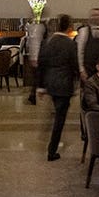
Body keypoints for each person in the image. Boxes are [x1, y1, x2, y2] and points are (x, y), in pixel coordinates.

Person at [36, 14, 78, 161]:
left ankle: (47, 139)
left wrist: (40, 86)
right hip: (64, 85)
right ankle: (52, 151)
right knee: (60, 119)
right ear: (69, 27)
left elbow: (41, 64)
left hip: (50, 83)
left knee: (55, 114)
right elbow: (74, 65)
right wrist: (76, 83)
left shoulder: (47, 42)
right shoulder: (70, 44)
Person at [22, 19, 47, 104]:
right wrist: (35, 57)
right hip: (38, 57)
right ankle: (33, 96)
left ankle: (33, 96)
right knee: (38, 77)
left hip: (37, 56)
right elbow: (36, 43)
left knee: (37, 77)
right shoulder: (38, 27)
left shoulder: (34, 27)